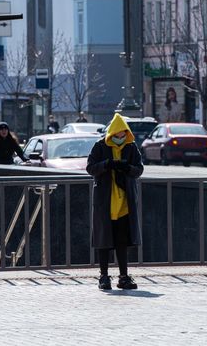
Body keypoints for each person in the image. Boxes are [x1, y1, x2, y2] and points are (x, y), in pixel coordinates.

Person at [86, 113, 144, 291]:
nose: (120, 138)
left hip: (124, 203)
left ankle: (124, 276)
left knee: (122, 241)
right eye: (117, 135)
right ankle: (104, 276)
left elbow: (139, 169)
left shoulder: (131, 147)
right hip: (105, 202)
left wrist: (127, 167)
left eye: (123, 135)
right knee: (104, 241)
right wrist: (107, 164)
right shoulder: (100, 146)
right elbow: (90, 168)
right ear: (111, 134)